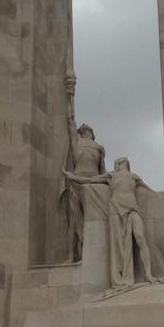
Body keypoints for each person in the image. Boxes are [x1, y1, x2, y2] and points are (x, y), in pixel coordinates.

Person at [64, 157, 161, 289]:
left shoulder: (134, 177)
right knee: (119, 245)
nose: (123, 160)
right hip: (115, 208)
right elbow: (89, 180)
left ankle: (149, 275)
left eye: (124, 160)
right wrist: (72, 177)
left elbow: (149, 190)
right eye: (120, 160)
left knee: (140, 237)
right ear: (117, 164)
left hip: (132, 208)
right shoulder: (111, 175)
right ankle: (122, 277)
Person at [59, 72, 107, 262]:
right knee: (74, 221)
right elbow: (70, 118)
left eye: (88, 128)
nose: (86, 128)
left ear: (92, 134)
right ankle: (72, 255)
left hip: (93, 185)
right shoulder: (76, 142)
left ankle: (92, 256)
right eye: (84, 128)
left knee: (92, 222)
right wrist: (70, 93)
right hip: (76, 185)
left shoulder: (99, 148)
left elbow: (103, 172)